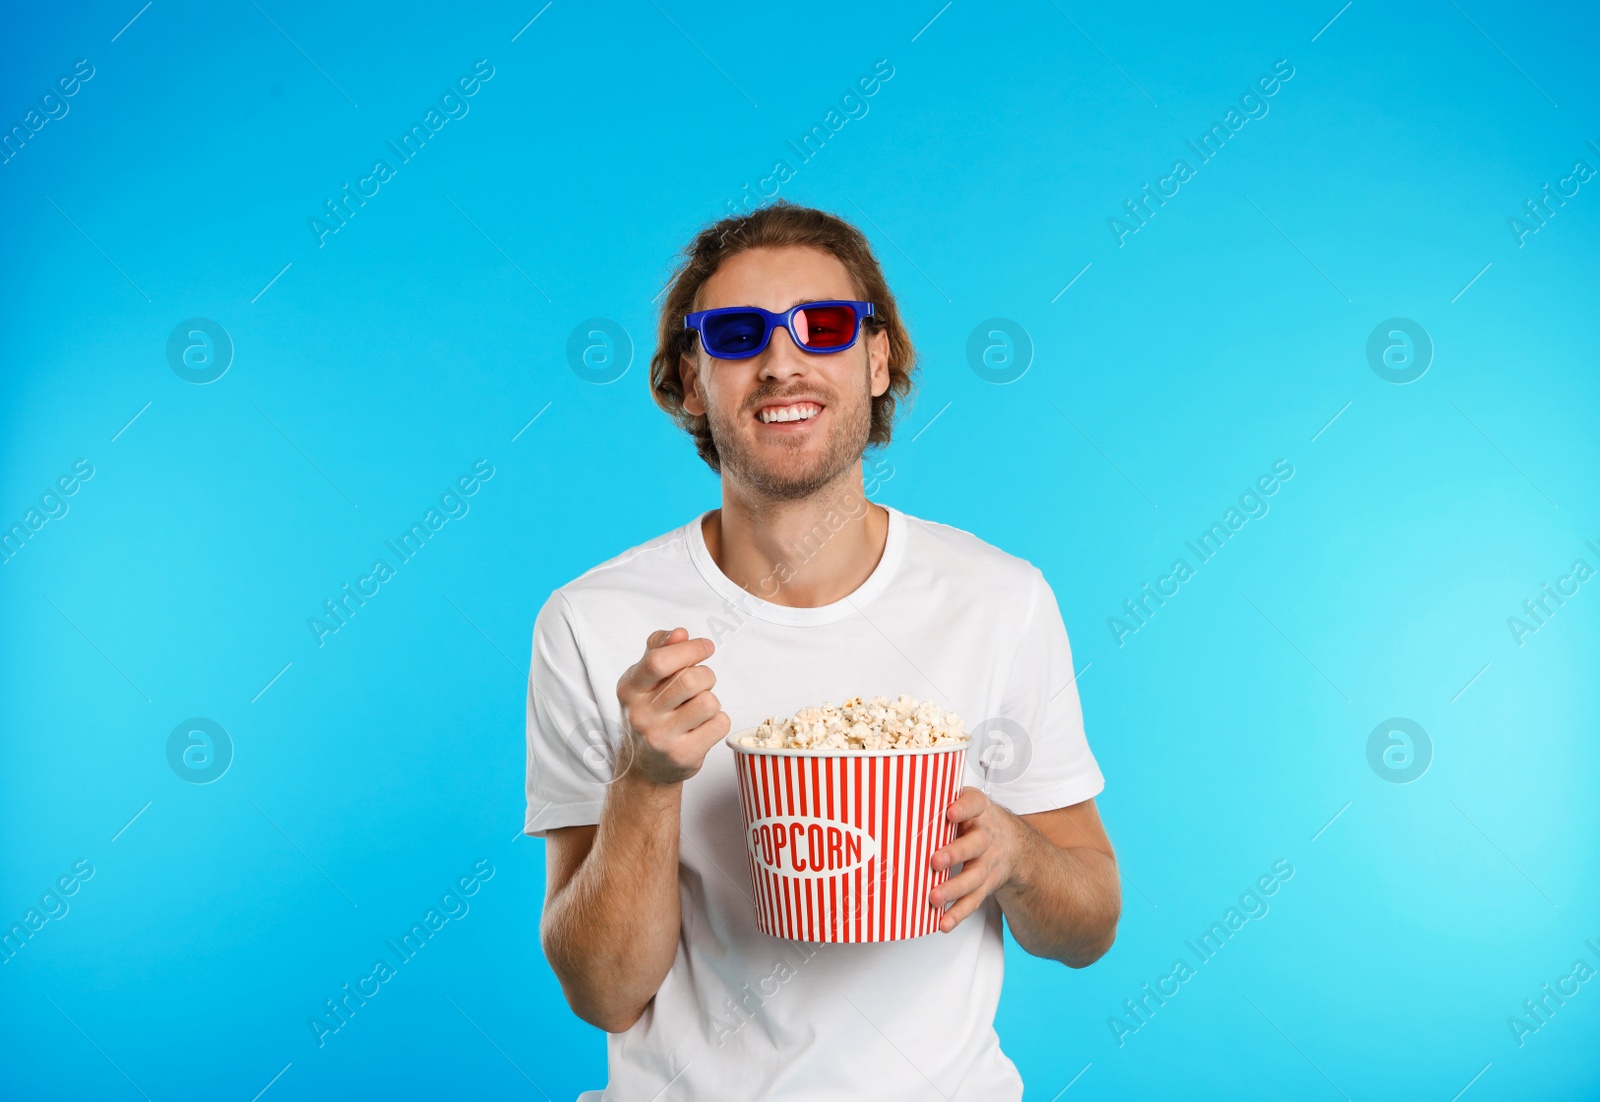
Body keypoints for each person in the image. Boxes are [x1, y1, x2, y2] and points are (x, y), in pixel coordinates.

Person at [526, 200, 1120, 1101]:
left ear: (878, 359)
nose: (782, 362)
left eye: (826, 324)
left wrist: (1018, 856)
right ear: (690, 381)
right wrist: (644, 780)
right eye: (734, 334)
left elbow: (1088, 928)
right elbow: (603, 994)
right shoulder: (594, 622)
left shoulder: (1000, 600)